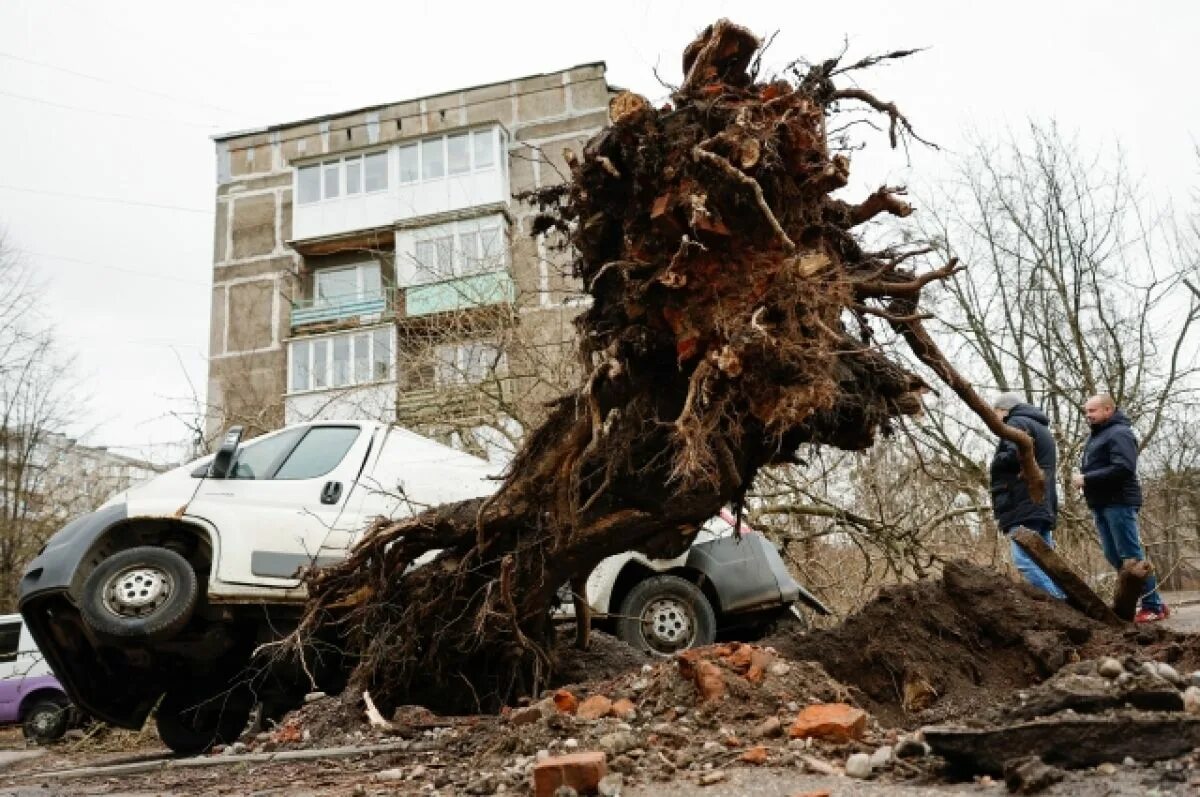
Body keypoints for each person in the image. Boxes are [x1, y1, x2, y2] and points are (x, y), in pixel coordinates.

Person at [1071, 394, 1169, 623]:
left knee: (1132, 558)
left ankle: (1152, 606)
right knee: (1113, 555)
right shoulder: (1097, 436)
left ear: (1108, 410)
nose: (1088, 416)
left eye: (1092, 411)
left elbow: (1124, 467)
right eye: (1086, 412)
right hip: (1101, 503)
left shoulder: (1120, 433)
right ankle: (1155, 603)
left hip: (1119, 501)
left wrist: (1087, 479)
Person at [989, 392, 1066, 599]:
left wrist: (995, 463)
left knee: (1024, 559)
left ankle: (1058, 604)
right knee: (1047, 561)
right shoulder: (1040, 427)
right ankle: (1069, 603)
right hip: (1041, 502)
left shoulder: (1017, 421)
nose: (994, 419)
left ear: (1003, 410)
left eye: (994, 413)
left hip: (1024, 501)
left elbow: (1015, 455)